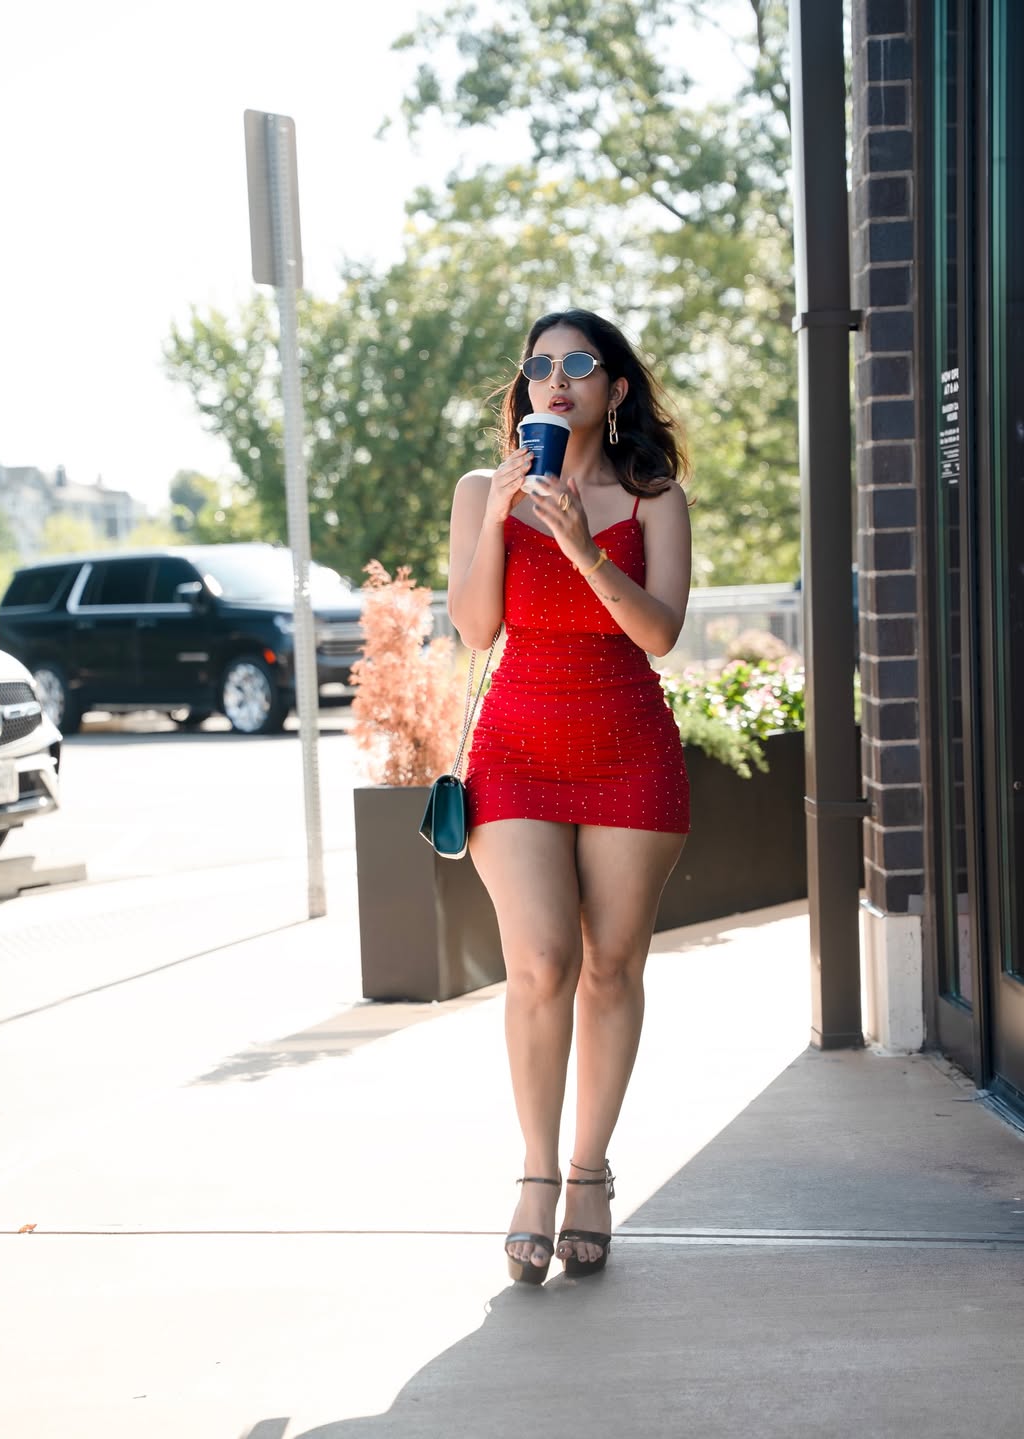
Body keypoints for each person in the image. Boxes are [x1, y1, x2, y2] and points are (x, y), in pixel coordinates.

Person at [447, 308, 693, 1284]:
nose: (556, 380)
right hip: (516, 742)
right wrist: (507, 513)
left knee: (608, 968)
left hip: (628, 745)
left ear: (614, 389)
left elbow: (661, 633)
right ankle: (537, 1173)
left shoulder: (652, 493)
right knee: (542, 958)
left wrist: (584, 544)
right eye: (540, 365)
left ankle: (591, 1170)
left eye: (579, 364)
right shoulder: (485, 487)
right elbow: (474, 628)